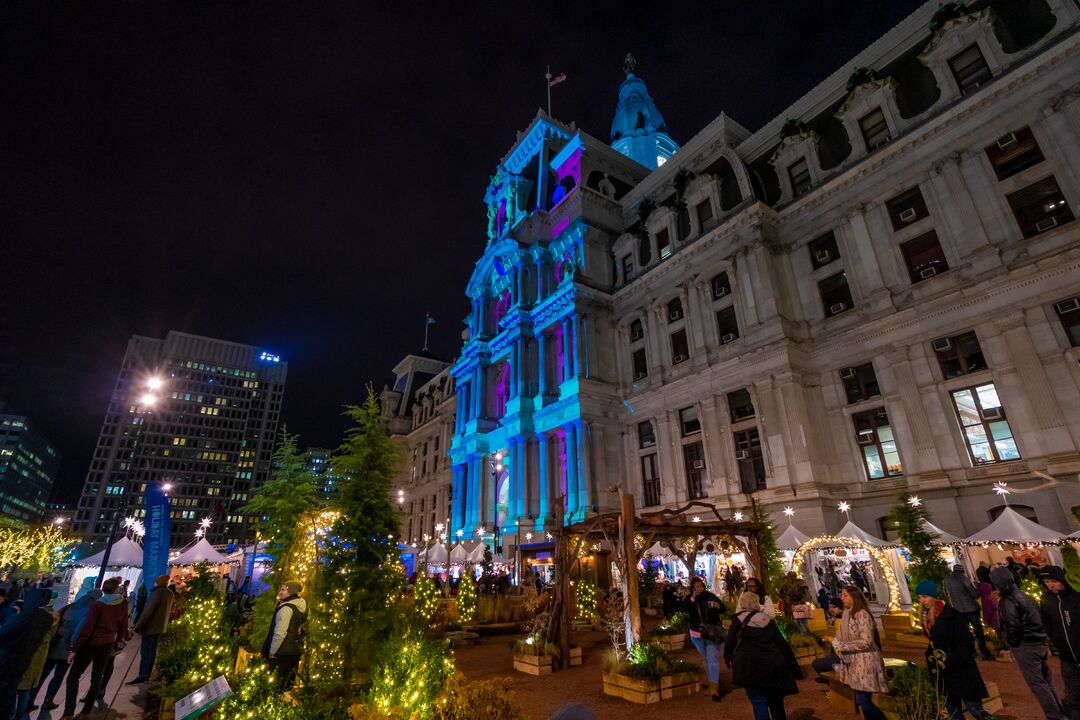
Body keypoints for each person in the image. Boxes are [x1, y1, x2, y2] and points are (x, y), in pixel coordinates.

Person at [991, 566, 1067, 720]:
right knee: (1046, 681)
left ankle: (1055, 716)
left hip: (1026, 645)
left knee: (1037, 684)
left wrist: (1012, 643)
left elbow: (1012, 627)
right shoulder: (1025, 596)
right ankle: (1058, 711)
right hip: (1039, 642)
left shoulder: (1007, 601)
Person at [916, 580, 993, 720]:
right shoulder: (926, 618)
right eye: (920, 597)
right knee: (953, 711)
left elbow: (967, 642)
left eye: (925, 596)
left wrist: (952, 660)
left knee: (976, 709)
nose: (922, 600)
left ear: (934, 596)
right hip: (943, 671)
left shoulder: (952, 615)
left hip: (960, 669)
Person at [724, 591, 801, 720]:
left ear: (741, 603)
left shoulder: (737, 621)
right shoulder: (768, 620)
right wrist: (794, 669)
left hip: (749, 666)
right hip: (772, 665)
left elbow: (730, 643)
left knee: (758, 702)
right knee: (776, 703)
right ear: (757, 603)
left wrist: (728, 658)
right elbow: (782, 645)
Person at [63, 577, 129, 719]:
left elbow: (88, 627)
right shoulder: (122, 603)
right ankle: (86, 712)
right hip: (108, 642)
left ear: (103, 590)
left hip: (92, 643)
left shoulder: (99, 605)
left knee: (74, 676)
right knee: (97, 676)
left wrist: (74, 648)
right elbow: (123, 625)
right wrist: (118, 640)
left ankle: (68, 712)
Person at [32, 589, 101, 712]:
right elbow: (79, 631)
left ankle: (30, 700)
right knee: (58, 676)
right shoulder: (90, 611)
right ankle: (48, 700)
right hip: (66, 646)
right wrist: (73, 648)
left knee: (43, 673)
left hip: (55, 642)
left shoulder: (71, 606)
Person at [831, 586, 888, 720]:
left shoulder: (862, 614)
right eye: (842, 595)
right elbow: (841, 633)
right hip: (853, 661)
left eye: (845, 595)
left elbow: (866, 641)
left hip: (865, 660)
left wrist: (843, 645)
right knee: (862, 698)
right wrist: (836, 641)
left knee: (862, 699)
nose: (842, 598)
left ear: (854, 597)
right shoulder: (846, 614)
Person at [0, 589, 57, 720]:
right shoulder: (47, 618)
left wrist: (15, 617)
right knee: (9, 695)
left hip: (6, 661)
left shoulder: (21, 618)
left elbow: (3, 635)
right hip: (23, 662)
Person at [1040, 566, 1080, 720]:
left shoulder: (1076, 598)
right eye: (1047, 581)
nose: (1050, 585)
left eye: (1053, 581)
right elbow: (1047, 625)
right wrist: (1057, 642)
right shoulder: (1046, 601)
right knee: (1073, 697)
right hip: (1067, 659)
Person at [680, 577, 726, 701]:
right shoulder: (690, 599)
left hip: (712, 633)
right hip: (696, 634)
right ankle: (711, 684)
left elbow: (723, 609)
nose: (699, 588)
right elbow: (683, 609)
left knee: (712, 659)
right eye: (697, 586)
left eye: (701, 586)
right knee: (705, 659)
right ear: (693, 588)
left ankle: (714, 689)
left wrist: (717, 606)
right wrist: (692, 598)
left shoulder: (710, 596)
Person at [128, 575, 174, 684]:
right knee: (152, 651)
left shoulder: (157, 593)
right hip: (160, 626)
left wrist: (138, 625)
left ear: (158, 582)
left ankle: (143, 675)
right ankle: (147, 674)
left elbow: (147, 611)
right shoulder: (170, 593)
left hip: (151, 626)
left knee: (146, 651)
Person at [262, 582, 307, 691]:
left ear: (290, 592)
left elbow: (280, 632)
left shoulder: (286, 608)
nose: (280, 592)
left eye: (283, 590)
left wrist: (272, 651)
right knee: (287, 685)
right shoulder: (300, 607)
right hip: (294, 652)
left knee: (275, 685)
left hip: (281, 653)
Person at [944, 564, 994, 660]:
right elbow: (974, 594)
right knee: (978, 630)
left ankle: (971, 651)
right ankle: (984, 652)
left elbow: (947, 594)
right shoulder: (963, 578)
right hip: (970, 608)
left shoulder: (947, 580)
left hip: (957, 609)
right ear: (962, 571)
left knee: (965, 632)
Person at [812, 598, 846, 681]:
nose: (830, 609)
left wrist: (828, 638)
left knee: (816, 664)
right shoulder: (840, 619)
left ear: (840, 607)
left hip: (843, 656)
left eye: (833, 607)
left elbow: (842, 642)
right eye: (830, 607)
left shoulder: (840, 620)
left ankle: (830, 684)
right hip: (840, 653)